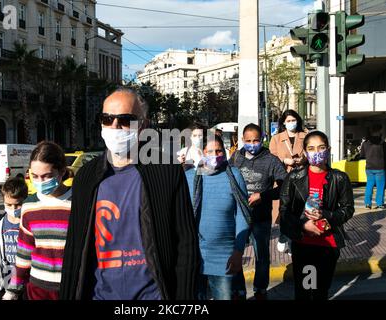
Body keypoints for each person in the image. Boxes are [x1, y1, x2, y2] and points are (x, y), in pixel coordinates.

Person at [59, 87, 199, 300]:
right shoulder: (86, 177)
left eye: (125, 119)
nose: (115, 126)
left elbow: (186, 243)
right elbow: (74, 247)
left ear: (142, 125)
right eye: (106, 118)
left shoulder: (166, 170)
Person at [280, 131, 354, 300]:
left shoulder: (340, 178)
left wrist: (328, 216)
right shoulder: (294, 177)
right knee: (306, 291)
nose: (317, 152)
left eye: (321, 148)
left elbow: (348, 209)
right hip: (304, 244)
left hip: (328, 245)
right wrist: (302, 226)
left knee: (321, 292)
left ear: (328, 150)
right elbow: (284, 212)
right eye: (311, 148)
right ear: (305, 152)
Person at [185, 134, 250, 300]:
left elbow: (243, 214)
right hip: (194, 255)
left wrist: (238, 251)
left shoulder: (234, 175)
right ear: (202, 152)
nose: (215, 155)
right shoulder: (189, 177)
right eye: (209, 151)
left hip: (224, 256)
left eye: (219, 151)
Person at [5, 141, 72, 300]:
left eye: (47, 176)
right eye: (35, 176)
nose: (40, 181)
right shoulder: (29, 206)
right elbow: (23, 253)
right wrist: (13, 290)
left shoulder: (78, 201)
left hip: (71, 286)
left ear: (61, 171)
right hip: (38, 289)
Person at [231, 123, 287, 300]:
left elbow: (284, 187)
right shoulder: (235, 158)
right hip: (238, 216)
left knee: (262, 255)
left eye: (256, 140)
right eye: (248, 141)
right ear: (242, 140)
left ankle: (261, 289)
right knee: (236, 254)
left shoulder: (271, 160)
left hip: (260, 217)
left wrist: (263, 195)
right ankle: (239, 289)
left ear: (262, 139)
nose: (252, 144)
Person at [269, 110, 307, 254]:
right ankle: (284, 236)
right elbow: (272, 157)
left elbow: (309, 152)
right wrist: (285, 160)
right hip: (283, 179)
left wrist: (302, 160)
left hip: (300, 178)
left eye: (294, 120)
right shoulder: (276, 138)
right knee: (284, 209)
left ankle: (291, 241)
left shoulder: (305, 136)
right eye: (289, 120)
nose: (292, 123)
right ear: (284, 122)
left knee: (297, 209)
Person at [360, 124, 386, 209]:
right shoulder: (382, 143)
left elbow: (362, 155)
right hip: (380, 167)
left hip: (369, 167)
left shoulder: (365, 143)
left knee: (369, 185)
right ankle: (379, 204)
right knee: (380, 186)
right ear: (379, 131)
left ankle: (367, 204)